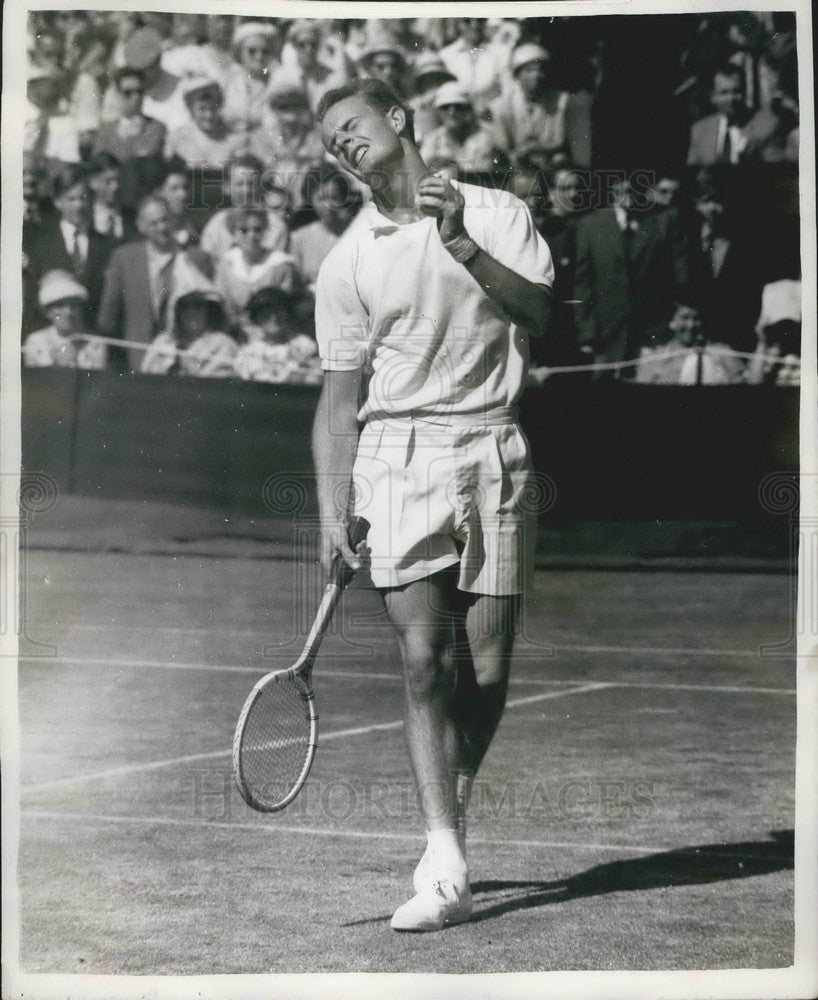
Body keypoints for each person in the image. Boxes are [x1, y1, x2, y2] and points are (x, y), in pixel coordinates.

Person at [312, 78, 553, 931]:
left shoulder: (495, 213)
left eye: (351, 125)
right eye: (329, 138)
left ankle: (446, 824)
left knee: (485, 673)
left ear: (400, 119)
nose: (341, 142)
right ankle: (445, 855)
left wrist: (462, 248)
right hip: (395, 456)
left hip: (493, 448)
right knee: (426, 662)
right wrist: (330, 510)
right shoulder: (347, 258)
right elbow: (339, 400)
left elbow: (545, 314)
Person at [573, 176, 687, 374]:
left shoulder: (661, 221)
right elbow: (583, 282)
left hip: (651, 335)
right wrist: (587, 333)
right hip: (606, 337)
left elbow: (677, 276)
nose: (627, 189)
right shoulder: (590, 225)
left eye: (632, 185)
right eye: (620, 183)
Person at [97, 195, 208, 371]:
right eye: (154, 223)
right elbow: (108, 318)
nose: (162, 227)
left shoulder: (195, 258)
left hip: (185, 363)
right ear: (141, 226)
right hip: (137, 362)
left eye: (165, 220)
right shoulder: (124, 258)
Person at [24, 164, 117, 335]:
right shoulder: (40, 245)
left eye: (83, 198)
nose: (79, 205)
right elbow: (31, 301)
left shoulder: (107, 246)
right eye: (71, 199)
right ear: (58, 201)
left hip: (94, 338)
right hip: (51, 339)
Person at [248, 81, 326, 211]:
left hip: (307, 200)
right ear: (274, 109)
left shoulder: (316, 136)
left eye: (296, 105)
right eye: (283, 106)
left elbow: (317, 167)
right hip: (272, 198)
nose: (290, 111)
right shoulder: (262, 137)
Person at [214, 207, 298, 327]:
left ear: (265, 231)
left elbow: (284, 306)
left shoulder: (281, 264)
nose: (251, 236)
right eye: (244, 230)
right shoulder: (227, 264)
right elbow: (223, 304)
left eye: (257, 230)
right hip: (236, 331)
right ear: (233, 233)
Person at [489, 45, 571, 163]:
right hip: (517, 165)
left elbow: (559, 140)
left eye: (540, 70)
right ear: (517, 75)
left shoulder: (560, 101)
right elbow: (503, 146)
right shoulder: (502, 105)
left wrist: (537, 148)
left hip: (551, 161)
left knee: (567, 179)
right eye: (529, 70)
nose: (536, 75)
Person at [199, 154, 290, 260]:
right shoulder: (215, 227)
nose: (246, 191)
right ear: (227, 188)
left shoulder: (276, 227)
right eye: (240, 184)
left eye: (251, 184)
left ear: (261, 187)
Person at [633, 300, 745, 384]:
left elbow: (746, 382)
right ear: (672, 322)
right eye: (684, 318)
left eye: (696, 318)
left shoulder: (722, 351)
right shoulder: (655, 356)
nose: (691, 325)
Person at [290, 167, 362, 289]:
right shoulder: (299, 238)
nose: (328, 206)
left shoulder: (358, 234)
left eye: (333, 197)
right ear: (311, 201)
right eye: (321, 199)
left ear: (343, 198)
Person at [233, 286, 322, 383]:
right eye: (266, 314)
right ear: (256, 317)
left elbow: (316, 379)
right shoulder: (249, 351)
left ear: (287, 313)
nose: (274, 318)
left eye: (279, 311)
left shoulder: (304, 346)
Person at [141, 288, 237, 377]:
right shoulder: (162, 342)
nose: (192, 312)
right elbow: (144, 377)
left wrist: (186, 363)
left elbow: (215, 384)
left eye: (198, 305)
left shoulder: (223, 343)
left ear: (208, 309)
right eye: (184, 306)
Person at [23, 270, 106, 370]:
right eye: (60, 306)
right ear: (48, 312)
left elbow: (98, 382)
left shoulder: (94, 343)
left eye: (73, 305)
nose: (68, 312)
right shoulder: (36, 342)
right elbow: (33, 382)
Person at [419, 83, 509, 174]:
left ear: (469, 109)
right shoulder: (432, 141)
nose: (452, 112)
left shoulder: (490, 136)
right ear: (438, 111)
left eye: (458, 107)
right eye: (445, 107)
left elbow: (505, 170)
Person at [165, 76, 244, 169]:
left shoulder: (234, 138)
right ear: (190, 109)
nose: (209, 115)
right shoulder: (177, 138)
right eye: (202, 109)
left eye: (213, 108)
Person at [439, 17, 510, 115]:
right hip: (458, 117)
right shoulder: (446, 56)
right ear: (458, 23)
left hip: (493, 117)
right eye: (467, 21)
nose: (474, 25)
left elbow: (508, 91)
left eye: (480, 20)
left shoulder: (501, 53)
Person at [223, 21, 280, 136]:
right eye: (252, 51)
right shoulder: (227, 81)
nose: (259, 57)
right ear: (240, 53)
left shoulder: (276, 82)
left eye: (265, 51)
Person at [408, 52, 457, 143]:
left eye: (438, 78)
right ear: (420, 83)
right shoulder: (415, 107)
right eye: (428, 79)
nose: (434, 84)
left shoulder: (455, 101)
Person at [153, 157, 200, 249]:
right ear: (159, 192)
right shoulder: (151, 235)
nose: (183, 195)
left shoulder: (196, 230)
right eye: (174, 188)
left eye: (185, 187)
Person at [87, 153, 128, 241]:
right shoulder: (84, 217)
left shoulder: (131, 217)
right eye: (108, 181)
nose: (115, 186)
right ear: (93, 182)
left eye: (118, 180)